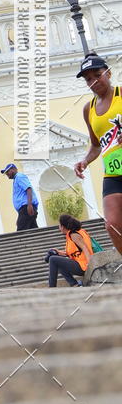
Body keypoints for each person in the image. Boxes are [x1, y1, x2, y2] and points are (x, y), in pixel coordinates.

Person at [74, 54, 122, 255]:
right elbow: (96, 145)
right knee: (112, 225)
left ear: (108, 73)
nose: (93, 81)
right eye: (88, 79)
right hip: (112, 173)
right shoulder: (89, 109)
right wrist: (84, 161)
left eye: (97, 75)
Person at [46, 214, 94, 287]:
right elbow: (73, 253)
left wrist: (90, 265)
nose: (59, 227)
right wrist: (59, 252)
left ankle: (51, 287)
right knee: (57, 260)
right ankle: (74, 284)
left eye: (59, 225)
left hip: (83, 266)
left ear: (62, 226)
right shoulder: (73, 233)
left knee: (52, 259)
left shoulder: (73, 234)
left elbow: (85, 248)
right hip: (80, 264)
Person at [1, 163, 39, 230]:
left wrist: (29, 205)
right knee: (34, 231)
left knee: (21, 232)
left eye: (7, 171)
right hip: (24, 210)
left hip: (26, 208)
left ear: (13, 169)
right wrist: (20, 216)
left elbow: (28, 188)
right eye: (5, 173)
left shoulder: (19, 176)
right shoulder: (16, 179)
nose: (6, 174)